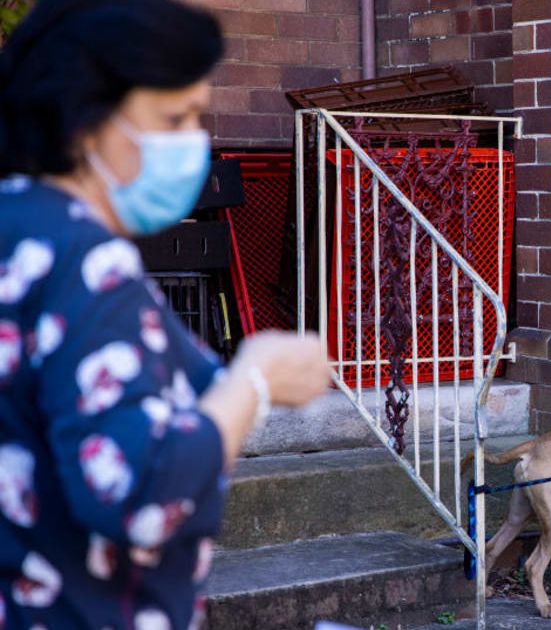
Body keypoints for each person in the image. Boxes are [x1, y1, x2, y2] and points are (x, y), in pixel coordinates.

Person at [0, 1, 329, 627]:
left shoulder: (15, 228)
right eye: (174, 118)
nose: (194, 142)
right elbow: (140, 494)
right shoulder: (86, 263)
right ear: (83, 119)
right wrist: (254, 382)